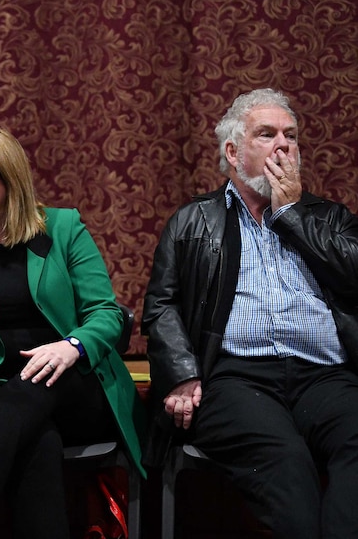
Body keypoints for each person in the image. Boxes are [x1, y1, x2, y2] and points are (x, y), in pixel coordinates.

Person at [0, 127, 146, 539]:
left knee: (42, 378)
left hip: (76, 388)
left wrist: (72, 347)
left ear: (9, 180)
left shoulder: (64, 228)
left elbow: (106, 314)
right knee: (38, 443)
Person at [142, 88, 358, 539]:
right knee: (286, 462)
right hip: (238, 378)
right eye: (267, 134)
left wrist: (293, 215)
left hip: (326, 376)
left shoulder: (330, 218)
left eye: (291, 136)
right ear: (234, 152)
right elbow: (161, 304)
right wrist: (183, 373)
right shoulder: (194, 220)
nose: (284, 145)